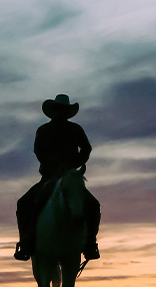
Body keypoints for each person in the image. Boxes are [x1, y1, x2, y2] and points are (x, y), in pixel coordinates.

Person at [14, 94, 101, 261]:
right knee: (24, 203)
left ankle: (90, 243)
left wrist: (73, 164)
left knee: (93, 205)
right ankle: (26, 243)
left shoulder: (76, 129)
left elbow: (86, 149)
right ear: (54, 111)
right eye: (58, 110)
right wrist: (54, 163)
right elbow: (39, 151)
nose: (60, 113)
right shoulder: (43, 130)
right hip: (49, 176)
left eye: (63, 110)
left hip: (71, 176)